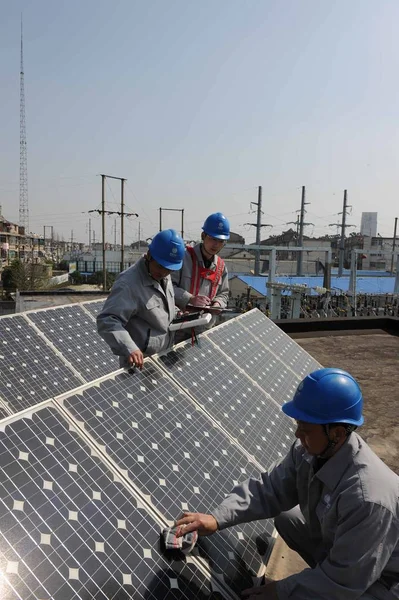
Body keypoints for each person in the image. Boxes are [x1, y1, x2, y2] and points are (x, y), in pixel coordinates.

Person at [175, 368, 399, 599]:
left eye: (306, 429)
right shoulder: (310, 452)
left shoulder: (369, 499)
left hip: (384, 580)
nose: (297, 434)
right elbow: (268, 489)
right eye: (298, 424)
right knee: (288, 518)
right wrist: (217, 518)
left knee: (342, 589)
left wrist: (281, 591)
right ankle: (317, 581)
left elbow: (346, 578)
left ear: (338, 433)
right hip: (351, 553)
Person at [97, 229, 185, 369]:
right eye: (160, 266)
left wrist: (175, 312)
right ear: (150, 255)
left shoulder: (163, 274)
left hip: (162, 358)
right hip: (139, 365)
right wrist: (130, 348)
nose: (163, 272)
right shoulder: (129, 283)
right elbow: (107, 320)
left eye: (169, 269)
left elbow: (158, 304)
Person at [171, 212, 230, 334]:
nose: (216, 244)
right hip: (179, 329)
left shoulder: (221, 266)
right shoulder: (184, 258)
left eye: (220, 241)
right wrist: (190, 299)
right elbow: (167, 287)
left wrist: (218, 303)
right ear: (203, 235)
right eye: (212, 238)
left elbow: (224, 293)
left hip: (205, 329)